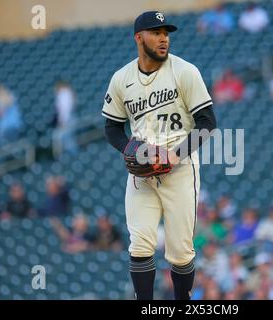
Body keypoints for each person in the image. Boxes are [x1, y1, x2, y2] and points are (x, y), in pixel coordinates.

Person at [101, 11, 216, 300]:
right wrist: (130, 149)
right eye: (156, 32)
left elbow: (207, 124)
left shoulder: (185, 71)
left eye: (166, 32)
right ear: (139, 37)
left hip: (179, 169)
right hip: (142, 172)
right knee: (139, 245)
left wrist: (176, 156)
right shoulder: (121, 78)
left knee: (179, 252)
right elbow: (112, 128)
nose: (164, 37)